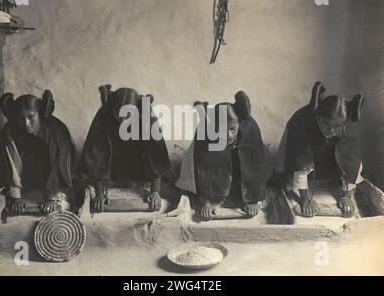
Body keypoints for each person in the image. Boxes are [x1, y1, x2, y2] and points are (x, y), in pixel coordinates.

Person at [274, 81, 367, 218]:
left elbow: (352, 163)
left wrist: (346, 196)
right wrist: (305, 199)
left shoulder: (349, 127)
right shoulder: (301, 122)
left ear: (344, 122)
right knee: (286, 180)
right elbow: (299, 162)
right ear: (318, 117)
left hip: (328, 152)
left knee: (340, 160)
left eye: (337, 126)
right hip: (301, 150)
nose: (331, 130)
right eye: (326, 124)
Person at [80, 85, 175, 212]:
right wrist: (99, 193)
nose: (123, 121)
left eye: (127, 116)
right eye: (119, 116)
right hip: (113, 167)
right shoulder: (104, 114)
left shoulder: (146, 115)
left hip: (138, 167)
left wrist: (155, 191)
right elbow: (97, 153)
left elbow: (156, 155)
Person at [175, 91, 265, 220]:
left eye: (232, 129)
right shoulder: (205, 131)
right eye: (222, 130)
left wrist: (253, 199)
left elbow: (256, 166)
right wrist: (206, 201)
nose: (228, 135)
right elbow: (202, 167)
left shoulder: (251, 129)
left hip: (238, 174)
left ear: (239, 123)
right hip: (216, 172)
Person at [0, 90, 75, 214]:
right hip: (28, 179)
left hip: (54, 179)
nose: (26, 124)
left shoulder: (57, 131)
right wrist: (16, 197)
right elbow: (12, 162)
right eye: (20, 118)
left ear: (39, 114)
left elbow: (60, 163)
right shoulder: (10, 131)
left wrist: (52, 198)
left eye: (31, 117)